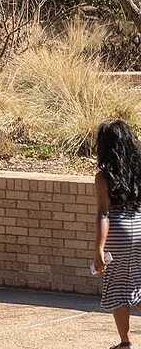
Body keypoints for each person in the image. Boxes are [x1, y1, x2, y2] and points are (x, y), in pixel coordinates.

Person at [94, 120, 141, 349]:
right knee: (137, 284)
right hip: (140, 227)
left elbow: (104, 214)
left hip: (119, 233)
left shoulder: (104, 177)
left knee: (117, 287)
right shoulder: (139, 172)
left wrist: (99, 249)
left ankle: (125, 343)